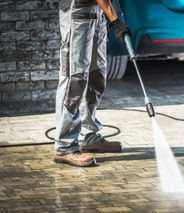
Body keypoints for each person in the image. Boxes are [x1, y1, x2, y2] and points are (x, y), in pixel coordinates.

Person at [54, 0, 132, 167]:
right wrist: (115, 20)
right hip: (78, 12)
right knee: (74, 79)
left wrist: (116, 17)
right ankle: (65, 146)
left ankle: (90, 136)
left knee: (96, 76)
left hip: (97, 13)